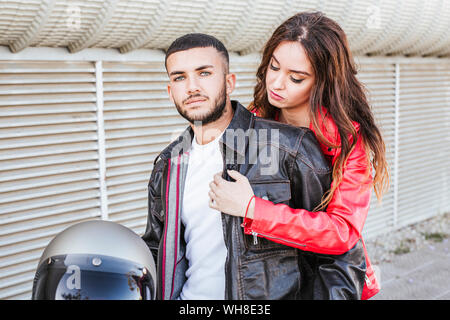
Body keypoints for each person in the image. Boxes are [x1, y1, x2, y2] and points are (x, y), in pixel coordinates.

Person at [142, 33, 337, 300]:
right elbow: (156, 249)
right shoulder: (168, 165)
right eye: (179, 77)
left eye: (204, 73)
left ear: (229, 82)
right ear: (170, 91)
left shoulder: (288, 148)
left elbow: (337, 255)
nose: (191, 87)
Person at [209, 12, 390, 300]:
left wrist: (254, 209)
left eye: (296, 78)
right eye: (274, 67)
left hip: (322, 278)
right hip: (265, 279)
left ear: (323, 82)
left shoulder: (348, 140)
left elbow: (342, 231)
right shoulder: (254, 120)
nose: (277, 84)